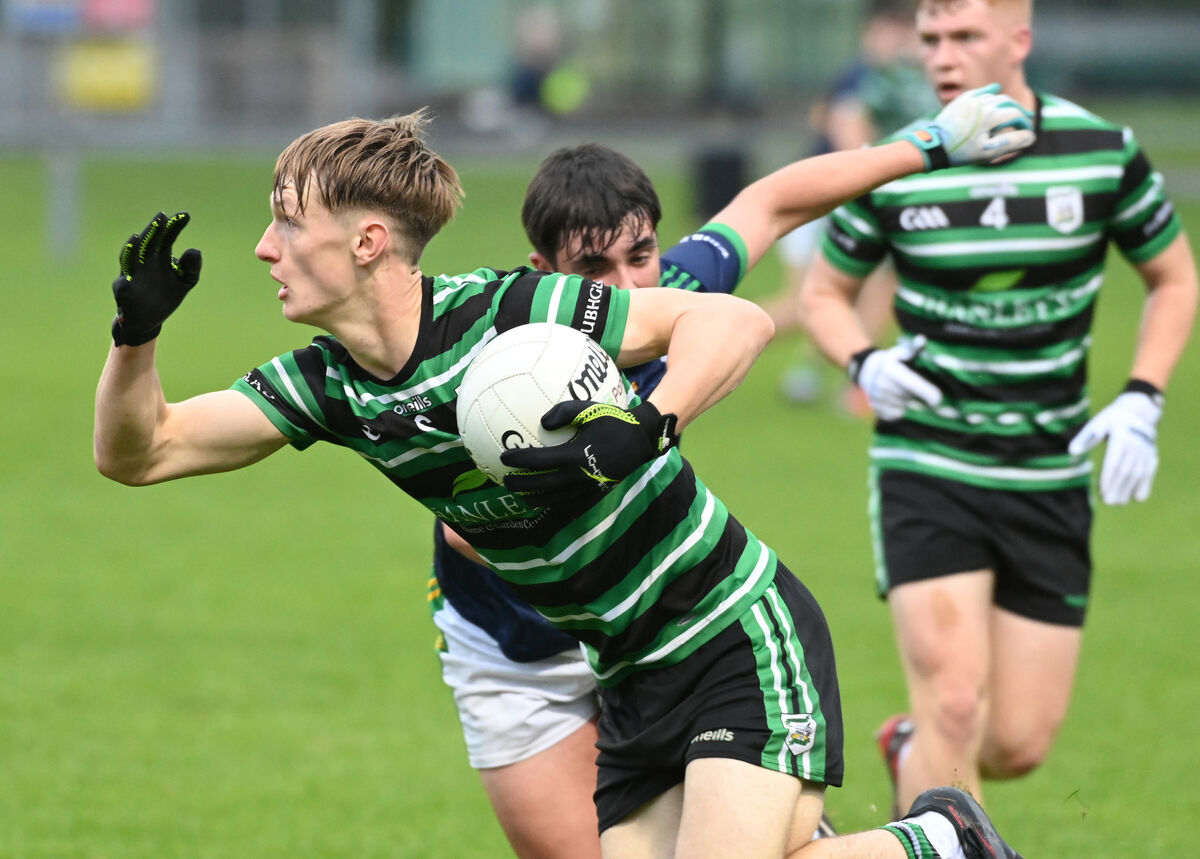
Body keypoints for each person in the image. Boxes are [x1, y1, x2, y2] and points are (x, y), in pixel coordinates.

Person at [94, 94, 1034, 857]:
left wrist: (644, 426)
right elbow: (143, 453)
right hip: (615, 669)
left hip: (726, 635)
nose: (263, 248)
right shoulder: (325, 387)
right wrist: (134, 341)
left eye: (286, 225)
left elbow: (737, 320)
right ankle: (940, 841)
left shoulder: (520, 313)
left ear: (369, 241)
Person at [796, 0, 1198, 821]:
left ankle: (907, 753)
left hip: (1049, 472)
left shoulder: (1100, 151)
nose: (943, 56)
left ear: (1020, 41)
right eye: (932, 37)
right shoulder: (898, 161)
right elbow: (824, 293)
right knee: (952, 703)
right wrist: (865, 359)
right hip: (928, 463)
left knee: (1016, 742)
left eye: (966, 36)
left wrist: (1143, 398)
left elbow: (1174, 278)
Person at [764, 0, 939, 409]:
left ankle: (841, 381)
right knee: (807, 304)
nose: (900, 41)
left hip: (840, 201)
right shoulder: (860, 79)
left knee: (864, 292)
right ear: (871, 33)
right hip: (826, 204)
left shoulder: (894, 79)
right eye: (892, 32)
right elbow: (849, 142)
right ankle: (694, 337)